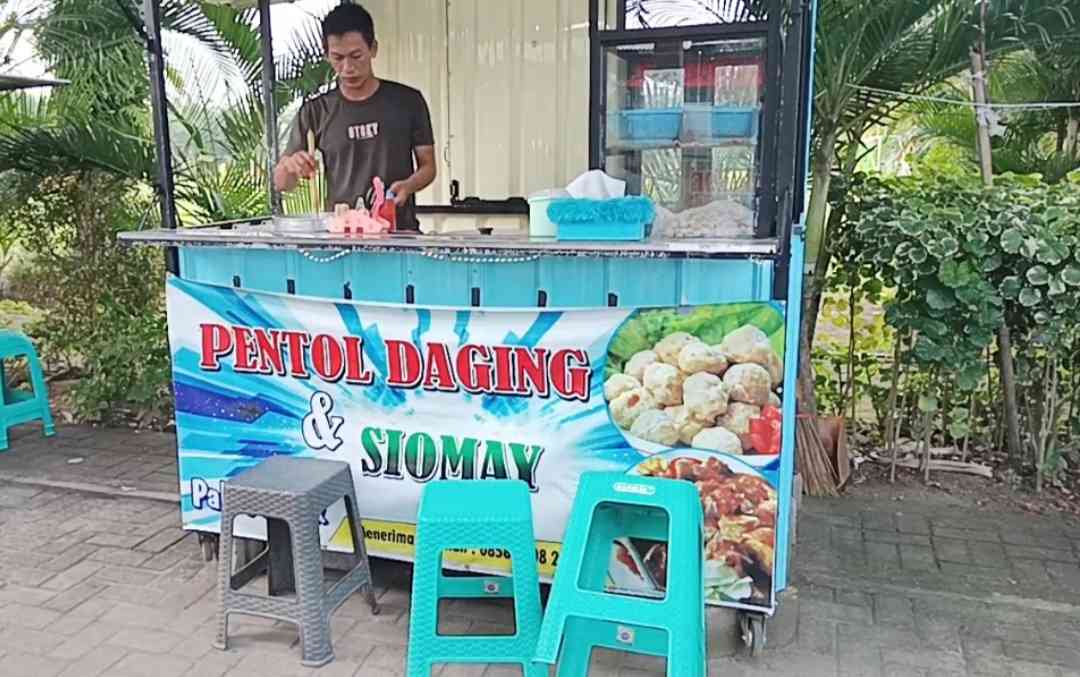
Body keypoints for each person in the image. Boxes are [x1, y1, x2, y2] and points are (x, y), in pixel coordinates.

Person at [273, 3, 436, 232]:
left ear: (373, 49)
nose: (348, 67)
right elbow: (282, 184)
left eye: (356, 56)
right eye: (337, 58)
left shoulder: (408, 101)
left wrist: (408, 186)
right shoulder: (315, 111)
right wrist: (290, 166)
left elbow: (428, 167)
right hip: (341, 235)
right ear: (326, 54)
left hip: (400, 234)